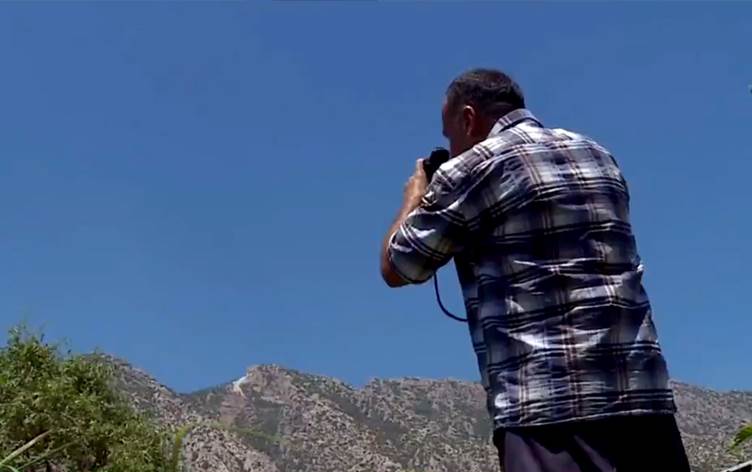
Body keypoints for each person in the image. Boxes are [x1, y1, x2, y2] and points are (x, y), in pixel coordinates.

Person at [379, 68, 691, 472]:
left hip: (545, 411)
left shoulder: (475, 166)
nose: (451, 147)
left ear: (469, 119)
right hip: (643, 402)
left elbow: (398, 266)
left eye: (449, 134)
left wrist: (415, 197)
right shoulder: (598, 154)